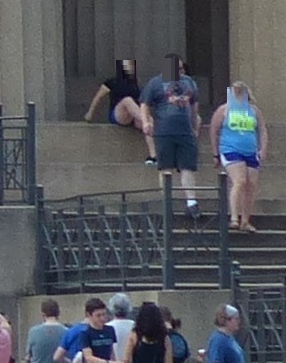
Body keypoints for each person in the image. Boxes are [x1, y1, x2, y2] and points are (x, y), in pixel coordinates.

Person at [144, 57, 204, 213]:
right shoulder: (155, 83)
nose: (179, 71)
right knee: (165, 167)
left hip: (185, 131)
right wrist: (146, 122)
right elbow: (145, 104)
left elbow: (194, 105)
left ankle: (191, 202)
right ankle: (167, 202)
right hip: (164, 131)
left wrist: (194, 125)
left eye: (180, 68)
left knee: (187, 167)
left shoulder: (189, 82)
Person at [213, 83, 266, 233]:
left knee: (251, 185)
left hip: (250, 150)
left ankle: (245, 220)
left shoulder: (254, 111)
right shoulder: (224, 109)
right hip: (231, 148)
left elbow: (262, 129)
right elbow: (214, 129)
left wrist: (263, 149)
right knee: (240, 181)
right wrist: (215, 152)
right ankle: (234, 218)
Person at [89, 56, 150, 149]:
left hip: (133, 116)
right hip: (118, 114)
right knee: (127, 100)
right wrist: (90, 113)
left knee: (147, 126)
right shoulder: (111, 82)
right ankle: (146, 120)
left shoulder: (134, 84)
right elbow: (98, 97)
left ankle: (154, 152)